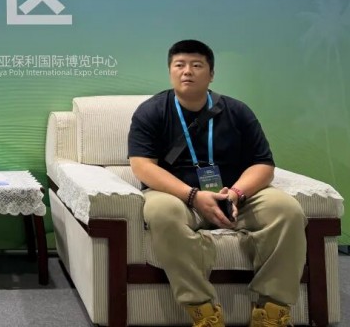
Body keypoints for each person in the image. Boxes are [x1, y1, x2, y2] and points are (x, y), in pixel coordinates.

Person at [128, 40, 306, 327]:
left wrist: (236, 193)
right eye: (180, 65)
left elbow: (263, 164)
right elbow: (142, 166)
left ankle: (271, 311)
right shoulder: (151, 111)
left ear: (211, 74)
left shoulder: (238, 111)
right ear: (170, 72)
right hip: (178, 196)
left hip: (236, 196)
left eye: (197, 65)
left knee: (287, 210)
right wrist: (193, 196)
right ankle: (205, 312)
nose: (187, 71)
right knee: (161, 213)